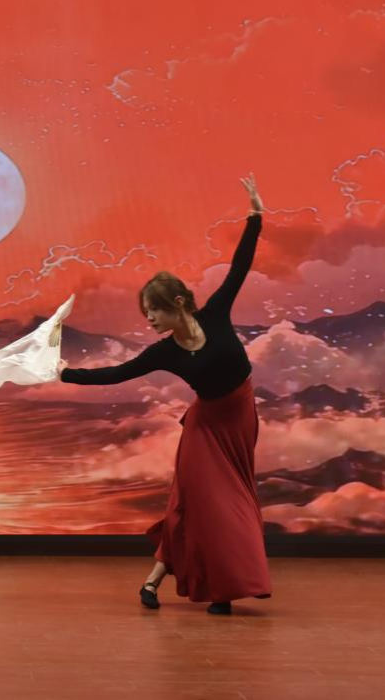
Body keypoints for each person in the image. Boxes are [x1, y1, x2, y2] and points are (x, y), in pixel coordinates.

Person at [59, 177, 271, 615]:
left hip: (240, 419)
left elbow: (240, 265)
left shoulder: (215, 314)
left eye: (153, 311)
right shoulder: (164, 352)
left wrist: (255, 216)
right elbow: (116, 374)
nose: (149, 320)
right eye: (146, 314)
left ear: (177, 302)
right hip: (204, 429)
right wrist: (65, 374)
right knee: (205, 505)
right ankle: (220, 592)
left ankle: (153, 581)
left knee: (218, 504)